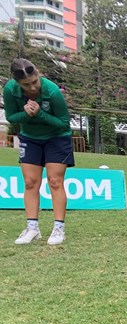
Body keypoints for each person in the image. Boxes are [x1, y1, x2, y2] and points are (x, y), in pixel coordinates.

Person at [4, 58, 73, 245]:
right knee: (30, 182)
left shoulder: (52, 91)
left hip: (57, 138)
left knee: (55, 181)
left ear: (38, 73)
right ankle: (32, 228)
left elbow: (64, 123)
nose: (32, 88)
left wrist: (39, 114)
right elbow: (11, 117)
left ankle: (59, 228)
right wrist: (26, 114)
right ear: (17, 83)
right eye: (26, 85)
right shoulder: (10, 90)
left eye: (34, 82)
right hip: (30, 138)